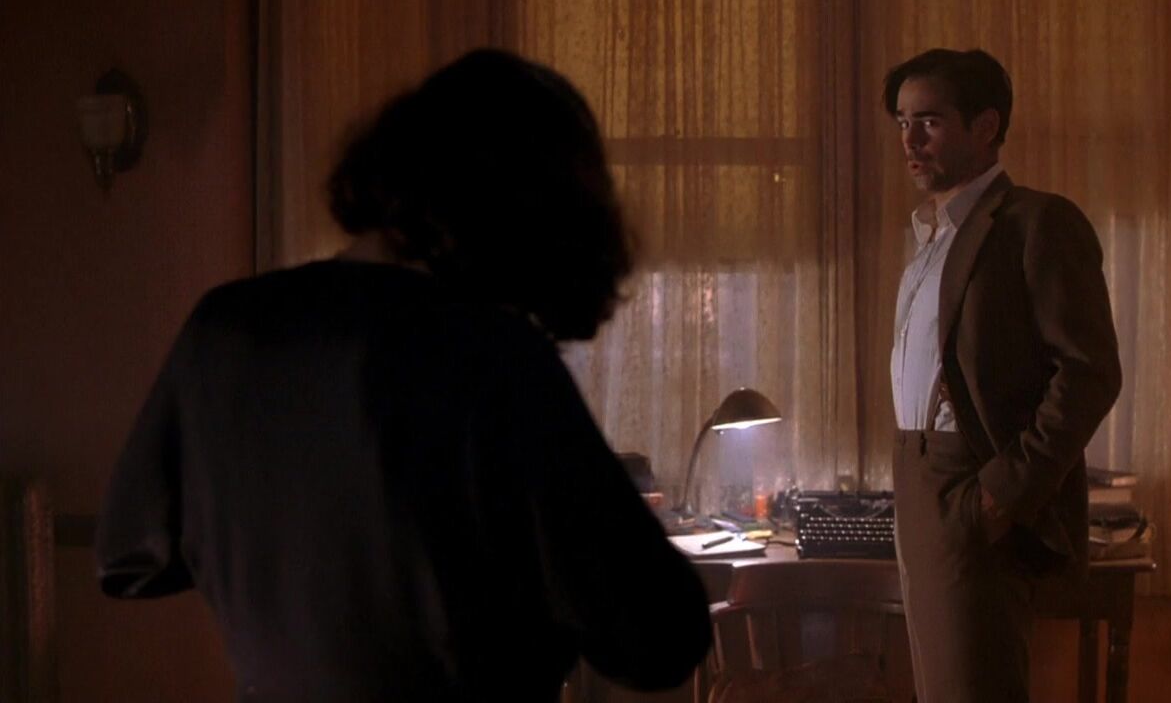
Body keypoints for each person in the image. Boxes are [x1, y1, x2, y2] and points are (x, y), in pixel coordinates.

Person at [95, 48, 711, 702]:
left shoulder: (221, 331)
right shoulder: (494, 360)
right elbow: (661, 637)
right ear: (521, 217)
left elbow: (130, 556)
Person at [884, 48, 1121, 702]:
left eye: (929, 121)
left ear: (985, 126)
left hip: (972, 485)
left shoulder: (1036, 222)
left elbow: (1090, 372)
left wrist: (1002, 494)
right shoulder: (930, 241)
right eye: (902, 122)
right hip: (916, 482)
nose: (910, 140)